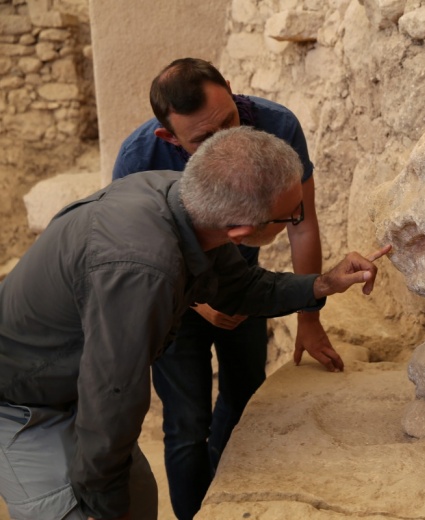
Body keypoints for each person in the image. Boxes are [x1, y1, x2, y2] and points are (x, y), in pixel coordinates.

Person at [0, 126, 390, 520]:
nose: (296, 221)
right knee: (78, 508)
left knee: (138, 494)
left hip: (73, 384)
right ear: (240, 231)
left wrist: (323, 283)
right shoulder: (143, 269)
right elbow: (112, 398)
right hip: (23, 399)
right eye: (290, 217)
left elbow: (242, 288)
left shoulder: (187, 202)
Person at [112, 58, 338, 518]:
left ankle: (225, 500)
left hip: (244, 285)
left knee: (245, 396)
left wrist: (309, 322)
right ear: (169, 139)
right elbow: (138, 256)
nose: (227, 144)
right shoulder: (138, 158)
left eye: (231, 121)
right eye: (203, 140)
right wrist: (198, 302)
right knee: (186, 422)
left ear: (233, 93)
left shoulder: (277, 126)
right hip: (176, 301)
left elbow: (301, 224)